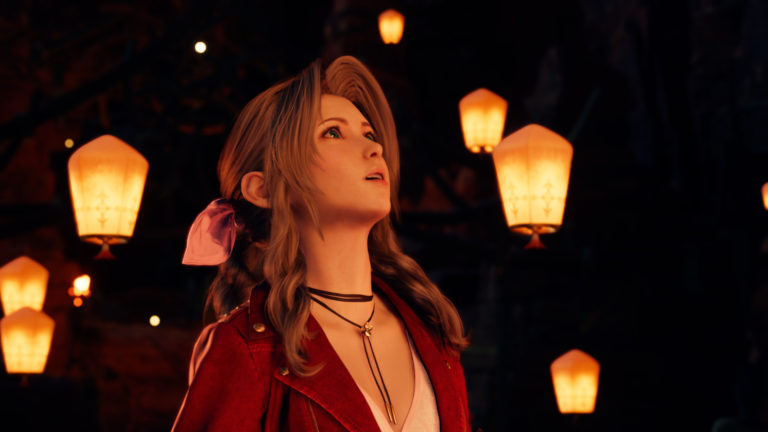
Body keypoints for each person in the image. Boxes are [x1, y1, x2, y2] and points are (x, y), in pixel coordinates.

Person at [172, 55, 471, 432]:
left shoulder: (433, 333)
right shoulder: (244, 347)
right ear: (264, 189)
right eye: (332, 132)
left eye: (369, 133)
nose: (375, 148)